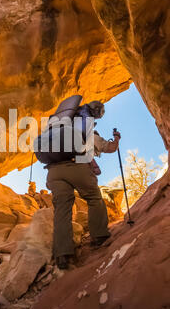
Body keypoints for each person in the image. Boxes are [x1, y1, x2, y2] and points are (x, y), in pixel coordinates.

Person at [45, 100, 121, 270]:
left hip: (53, 171)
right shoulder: (90, 134)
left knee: (62, 210)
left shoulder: (59, 131)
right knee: (94, 198)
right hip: (77, 165)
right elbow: (111, 148)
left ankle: (62, 254)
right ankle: (99, 236)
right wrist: (116, 137)